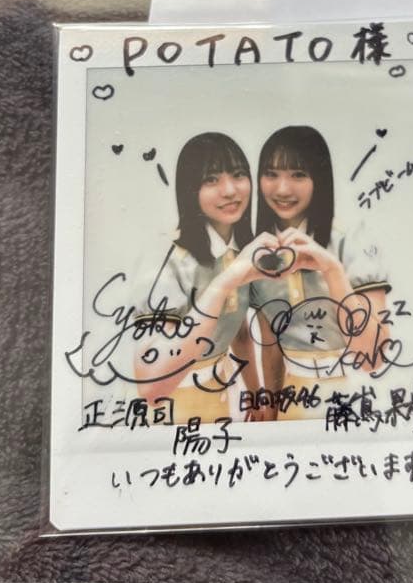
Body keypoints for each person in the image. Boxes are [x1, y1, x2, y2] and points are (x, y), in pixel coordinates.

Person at [134, 131, 280, 422]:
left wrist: (255, 395)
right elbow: (150, 385)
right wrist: (225, 281)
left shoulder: (239, 251)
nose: (230, 190)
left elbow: (239, 332)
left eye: (238, 175)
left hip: (221, 391)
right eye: (211, 179)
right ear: (190, 189)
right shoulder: (169, 260)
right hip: (174, 404)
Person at [249, 125, 391, 420]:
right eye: (271, 174)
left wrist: (331, 268)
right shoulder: (260, 249)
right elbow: (271, 349)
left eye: (298, 174)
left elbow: (372, 358)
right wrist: (270, 418)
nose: (282, 189)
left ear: (319, 178)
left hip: (352, 394)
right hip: (292, 398)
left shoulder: (350, 238)